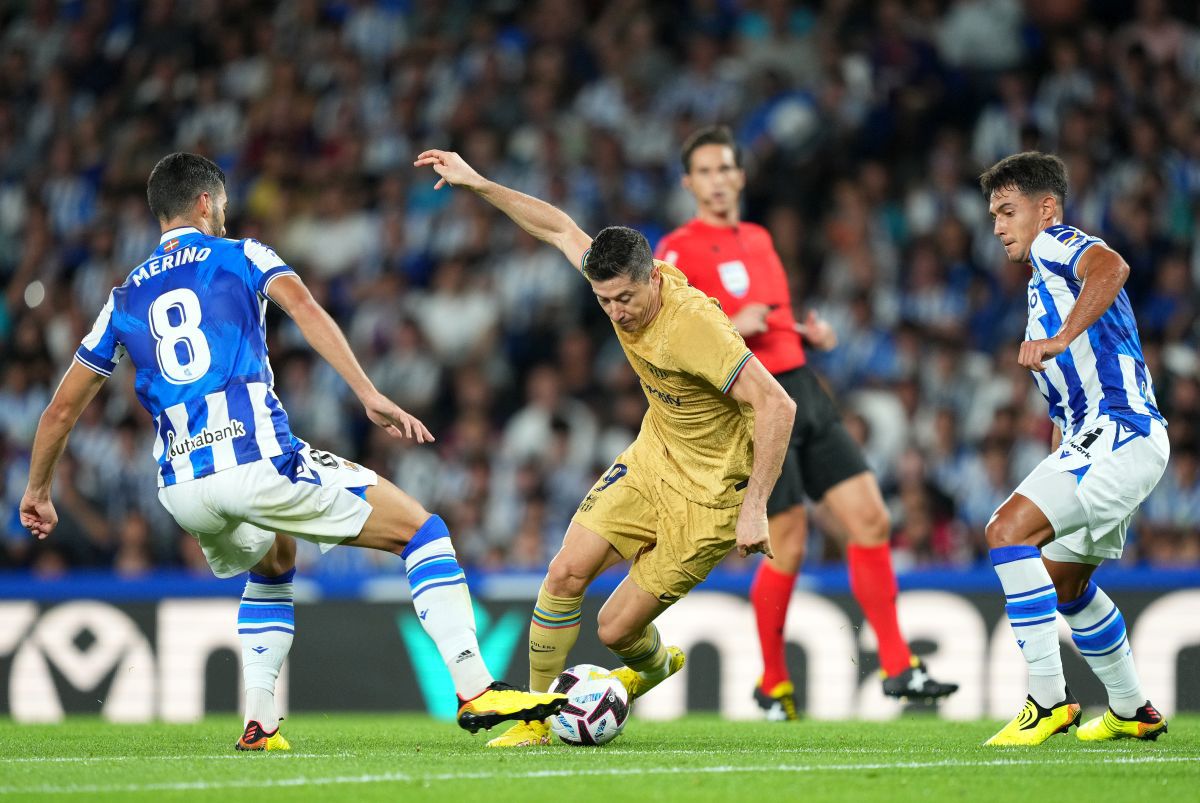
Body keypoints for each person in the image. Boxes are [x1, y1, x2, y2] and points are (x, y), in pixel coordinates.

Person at [19, 153, 566, 751]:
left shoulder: (123, 297)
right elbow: (303, 307)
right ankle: (474, 687)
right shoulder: (243, 254)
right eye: (221, 204)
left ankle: (259, 723)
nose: (224, 214)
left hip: (182, 488)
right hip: (256, 461)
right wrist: (368, 393)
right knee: (423, 532)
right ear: (206, 203)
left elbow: (61, 410)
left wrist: (37, 490)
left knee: (274, 559)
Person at [414, 148, 797, 747]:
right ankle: (536, 721)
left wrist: (754, 506)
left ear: (653, 277)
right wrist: (479, 183)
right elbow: (557, 226)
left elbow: (778, 404)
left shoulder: (693, 327)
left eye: (625, 299)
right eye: (604, 301)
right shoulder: (613, 278)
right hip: (653, 459)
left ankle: (653, 664)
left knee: (616, 628)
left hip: (713, 496)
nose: (616, 312)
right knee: (564, 572)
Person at [657, 126, 958, 719]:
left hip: (803, 387)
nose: (717, 181)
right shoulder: (676, 250)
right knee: (787, 544)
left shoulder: (760, 238)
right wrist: (728, 327)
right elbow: (668, 338)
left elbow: (771, 316)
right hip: (750, 402)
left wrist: (804, 333)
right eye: (705, 172)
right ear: (689, 183)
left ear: (740, 176)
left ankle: (898, 667)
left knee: (870, 517)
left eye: (726, 169)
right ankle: (772, 682)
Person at [979, 151, 1169, 745]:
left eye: (1008, 211)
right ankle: (1133, 709)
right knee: (1065, 586)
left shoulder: (1057, 243)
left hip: (1119, 431)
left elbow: (1111, 267)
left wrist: (1061, 336)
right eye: (993, 216)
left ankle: (1048, 699)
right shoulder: (1043, 289)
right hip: (1114, 437)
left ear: (1047, 207)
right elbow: (1067, 402)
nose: (999, 227)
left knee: (1006, 532)